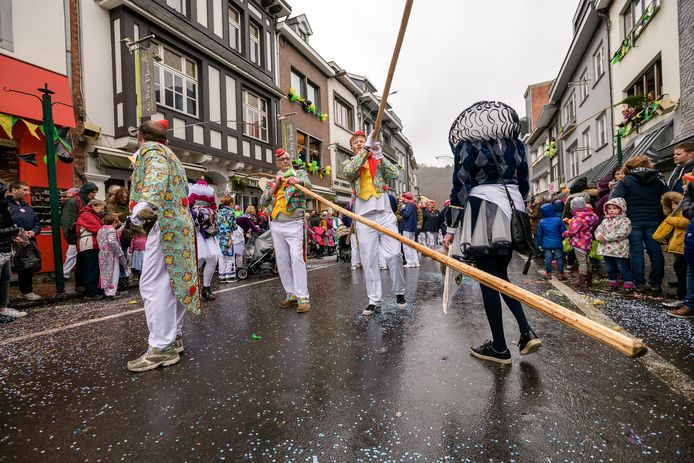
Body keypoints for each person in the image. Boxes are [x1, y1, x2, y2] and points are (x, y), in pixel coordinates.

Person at [443, 101, 540, 364]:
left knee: (489, 279)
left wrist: (451, 228)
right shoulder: (516, 145)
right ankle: (525, 331)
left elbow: (461, 186)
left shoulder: (468, 146)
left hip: (484, 208)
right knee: (501, 275)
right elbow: (523, 183)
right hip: (512, 209)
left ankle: (500, 347)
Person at [127, 119, 200, 372]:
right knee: (173, 282)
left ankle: (161, 348)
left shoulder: (153, 151)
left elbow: (156, 174)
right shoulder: (171, 155)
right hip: (179, 223)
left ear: (140, 136)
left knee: (152, 284)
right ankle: (173, 336)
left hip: (165, 224)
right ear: (165, 139)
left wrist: (145, 203)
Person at [342, 130, 406, 315]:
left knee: (394, 254)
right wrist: (366, 149)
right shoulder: (350, 162)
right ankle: (374, 300)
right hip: (363, 217)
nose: (360, 144)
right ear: (352, 147)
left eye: (363, 141)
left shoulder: (377, 160)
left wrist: (379, 153)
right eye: (357, 143)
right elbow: (349, 172)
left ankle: (399, 292)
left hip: (385, 214)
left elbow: (394, 174)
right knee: (369, 260)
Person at [260, 148, 312, 312]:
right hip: (276, 223)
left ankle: (303, 297)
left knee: (297, 258)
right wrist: (275, 185)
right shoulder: (272, 180)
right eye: (282, 159)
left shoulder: (299, 173)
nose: (285, 161)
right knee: (282, 260)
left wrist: (297, 181)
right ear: (277, 162)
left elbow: (309, 186)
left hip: (294, 222)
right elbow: (263, 201)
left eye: (288, 159)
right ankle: (291, 294)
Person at [610, 154, 667, 292]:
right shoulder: (658, 179)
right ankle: (655, 283)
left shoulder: (626, 181)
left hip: (633, 220)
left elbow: (615, 199)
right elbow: (666, 197)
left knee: (636, 252)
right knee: (655, 252)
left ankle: (639, 283)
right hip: (654, 219)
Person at [7, 182, 42, 301]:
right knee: (5, 269)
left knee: (27, 266)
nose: (28, 192)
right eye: (24, 189)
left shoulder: (27, 207)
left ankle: (26, 291)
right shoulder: (5, 205)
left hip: (28, 242)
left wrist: (33, 231)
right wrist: (14, 234)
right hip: (9, 242)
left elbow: (37, 223)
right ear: (14, 190)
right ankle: (4, 299)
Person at [189, 179, 221, 301]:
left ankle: (206, 288)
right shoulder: (191, 207)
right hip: (197, 234)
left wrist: (212, 215)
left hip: (208, 235)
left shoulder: (211, 207)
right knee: (198, 261)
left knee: (213, 260)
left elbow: (214, 208)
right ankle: (191, 289)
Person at [61, 183, 98, 290]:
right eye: (93, 192)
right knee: (78, 259)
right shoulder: (73, 201)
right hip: (78, 235)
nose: (94, 195)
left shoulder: (88, 201)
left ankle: (81, 283)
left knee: (83, 261)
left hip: (87, 236)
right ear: (87, 191)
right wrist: (70, 236)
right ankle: (75, 281)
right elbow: (66, 220)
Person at [655, 192, 688, 307]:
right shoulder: (675, 213)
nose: (673, 206)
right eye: (671, 204)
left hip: (682, 246)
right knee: (679, 269)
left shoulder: (683, 212)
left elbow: (686, 222)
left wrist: (671, 220)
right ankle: (682, 296)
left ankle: (683, 297)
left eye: (675, 203)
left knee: (682, 271)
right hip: (677, 246)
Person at [594, 198, 634, 291]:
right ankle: (612, 283)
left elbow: (623, 233)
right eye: (609, 208)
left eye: (614, 208)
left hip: (619, 248)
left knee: (622, 267)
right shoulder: (605, 221)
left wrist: (606, 238)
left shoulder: (625, 220)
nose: (611, 210)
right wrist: (599, 236)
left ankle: (628, 284)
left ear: (621, 209)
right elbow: (598, 230)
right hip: (606, 249)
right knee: (609, 267)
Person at [0, 180, 25, 321]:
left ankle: (3, 308)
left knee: (5, 278)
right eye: (5, 192)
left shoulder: (4, 207)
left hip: (5, 248)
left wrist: (13, 238)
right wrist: (13, 230)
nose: (7, 194)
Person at [563, 197, 599, 288]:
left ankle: (582, 281)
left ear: (573, 208)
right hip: (588, 240)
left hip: (579, 242)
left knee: (582, 261)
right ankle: (589, 279)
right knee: (587, 260)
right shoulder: (591, 215)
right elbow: (596, 221)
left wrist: (564, 233)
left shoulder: (577, 218)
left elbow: (572, 231)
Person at [76, 199, 105, 299]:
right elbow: (98, 228)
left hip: (92, 244)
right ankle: (91, 292)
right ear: (94, 206)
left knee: (93, 268)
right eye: (101, 208)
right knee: (90, 268)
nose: (102, 210)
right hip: (89, 245)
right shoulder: (86, 215)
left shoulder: (91, 215)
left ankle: (94, 290)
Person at [97, 213, 128, 298]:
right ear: (114, 222)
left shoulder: (101, 229)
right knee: (114, 272)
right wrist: (119, 252)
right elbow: (112, 241)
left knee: (105, 273)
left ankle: (107, 291)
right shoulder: (111, 229)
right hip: (111, 254)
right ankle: (111, 292)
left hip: (102, 254)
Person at [535, 203, 566, 280]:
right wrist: (561, 239)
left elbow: (539, 234)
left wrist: (539, 244)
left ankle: (548, 274)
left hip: (546, 243)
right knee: (559, 258)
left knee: (548, 258)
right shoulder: (559, 220)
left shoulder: (542, 221)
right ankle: (560, 274)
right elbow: (563, 232)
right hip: (557, 241)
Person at [60, 187, 80, 279]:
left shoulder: (72, 202)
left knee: (72, 254)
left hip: (73, 232)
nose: (65, 195)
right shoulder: (74, 201)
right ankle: (64, 273)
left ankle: (64, 273)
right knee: (72, 253)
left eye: (67, 193)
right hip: (74, 232)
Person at [217, 196, 237, 283]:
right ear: (231, 203)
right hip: (228, 236)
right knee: (229, 257)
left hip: (219, 237)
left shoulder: (219, 212)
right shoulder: (231, 212)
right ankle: (229, 275)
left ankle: (222, 276)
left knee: (221, 257)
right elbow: (234, 226)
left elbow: (216, 223)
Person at [398, 192, 419, 268]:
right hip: (412, 227)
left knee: (406, 246)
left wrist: (402, 209)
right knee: (412, 245)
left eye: (404, 197)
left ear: (407, 198)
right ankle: (416, 262)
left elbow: (406, 214)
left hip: (407, 227)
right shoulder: (413, 204)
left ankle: (410, 262)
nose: (403, 199)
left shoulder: (408, 205)